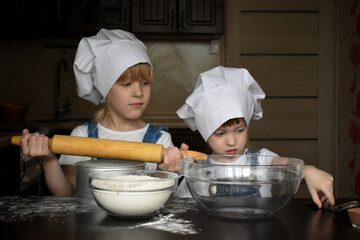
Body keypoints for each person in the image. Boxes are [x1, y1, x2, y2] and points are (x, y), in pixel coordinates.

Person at [19, 29, 186, 196]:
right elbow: (67, 194)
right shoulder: (81, 137)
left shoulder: (161, 140)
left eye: (145, 83)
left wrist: (165, 173)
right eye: (126, 84)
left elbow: (162, 199)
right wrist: (48, 160)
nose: (138, 92)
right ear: (105, 89)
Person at [175, 66, 335, 208]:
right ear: (205, 133)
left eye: (239, 130)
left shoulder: (262, 160)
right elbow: (181, 208)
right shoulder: (197, 170)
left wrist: (307, 170)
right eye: (220, 133)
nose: (231, 141)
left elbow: (287, 165)